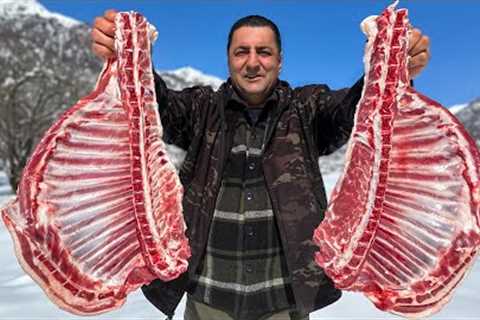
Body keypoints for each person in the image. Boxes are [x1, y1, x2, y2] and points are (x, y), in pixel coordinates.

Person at [91, 8, 430, 320]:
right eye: (242, 52)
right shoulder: (201, 110)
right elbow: (155, 103)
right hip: (209, 299)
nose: (253, 62)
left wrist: (396, 65)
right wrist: (125, 53)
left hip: (283, 302)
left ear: (279, 61)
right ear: (229, 60)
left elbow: (356, 111)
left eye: (263, 52)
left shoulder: (307, 110)